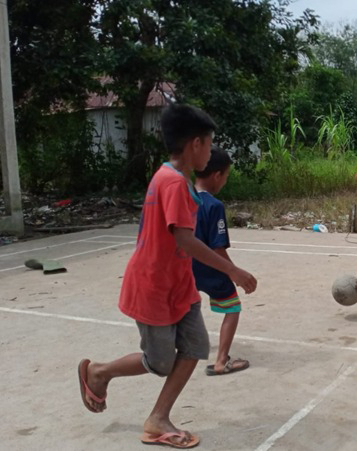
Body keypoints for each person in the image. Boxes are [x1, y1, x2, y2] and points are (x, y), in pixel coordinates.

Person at [77, 104, 257, 449]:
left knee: (195, 347)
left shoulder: (178, 180)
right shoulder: (172, 182)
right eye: (209, 143)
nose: (210, 151)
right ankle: (99, 372)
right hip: (154, 286)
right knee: (159, 362)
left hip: (179, 285)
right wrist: (232, 270)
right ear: (195, 144)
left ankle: (157, 419)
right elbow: (185, 240)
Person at [193, 146, 249, 376]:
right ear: (217, 175)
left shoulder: (184, 196)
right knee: (233, 307)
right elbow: (217, 248)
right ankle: (221, 361)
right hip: (210, 268)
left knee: (187, 308)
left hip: (185, 267)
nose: (225, 182)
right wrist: (234, 272)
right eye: (226, 177)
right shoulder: (214, 206)